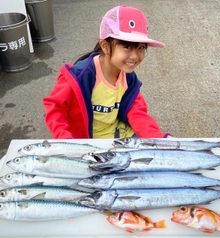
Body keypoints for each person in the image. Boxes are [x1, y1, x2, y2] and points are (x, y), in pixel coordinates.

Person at [43, 5, 172, 139]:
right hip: (88, 142)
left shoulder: (128, 77)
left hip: (121, 135)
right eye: (127, 47)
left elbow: (137, 112)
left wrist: (159, 138)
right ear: (105, 46)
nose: (134, 56)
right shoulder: (80, 76)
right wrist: (65, 140)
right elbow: (55, 107)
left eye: (141, 47)